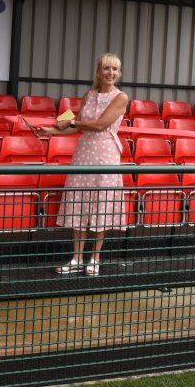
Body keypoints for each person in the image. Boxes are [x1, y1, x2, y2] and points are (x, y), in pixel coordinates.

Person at [35, 53, 128, 276]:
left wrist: (73, 121)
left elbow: (98, 124)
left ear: (119, 73)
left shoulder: (121, 97)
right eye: (106, 68)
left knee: (100, 205)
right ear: (98, 71)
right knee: (79, 202)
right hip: (83, 152)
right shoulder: (89, 94)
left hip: (105, 155)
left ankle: (95, 259)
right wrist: (49, 130)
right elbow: (75, 125)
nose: (110, 73)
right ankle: (76, 258)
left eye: (115, 69)